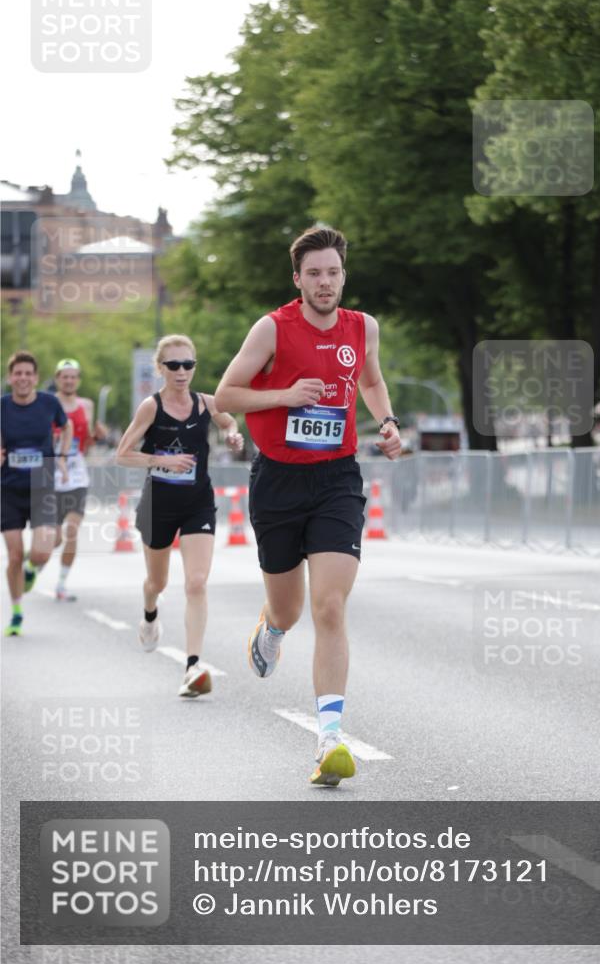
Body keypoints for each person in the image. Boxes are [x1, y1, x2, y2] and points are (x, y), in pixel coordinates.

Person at [215, 225, 401, 786]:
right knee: (290, 610)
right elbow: (225, 395)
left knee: (330, 608)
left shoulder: (362, 327)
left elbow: (370, 380)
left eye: (333, 273)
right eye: (314, 273)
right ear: (298, 279)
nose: (325, 282)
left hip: (337, 479)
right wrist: (283, 395)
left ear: (344, 276)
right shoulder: (272, 328)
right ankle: (270, 628)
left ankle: (329, 741)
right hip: (277, 481)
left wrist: (387, 422)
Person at [116, 335, 244, 697]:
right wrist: (162, 460)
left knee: (197, 583)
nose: (182, 371)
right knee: (157, 582)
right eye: (173, 365)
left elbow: (229, 422)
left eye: (188, 364)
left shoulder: (206, 403)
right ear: (160, 369)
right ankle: (150, 613)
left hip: (197, 503)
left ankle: (192, 666)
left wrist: (234, 436)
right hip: (158, 504)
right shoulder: (151, 408)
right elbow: (122, 454)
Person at [1, 351, 72, 636]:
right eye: (18, 373)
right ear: (10, 377)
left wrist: (63, 457)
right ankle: (17, 613)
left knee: (43, 550)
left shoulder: (49, 403)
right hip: (8, 488)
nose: (23, 378)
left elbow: (65, 429)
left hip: (42, 481)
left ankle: (32, 569)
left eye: (28, 373)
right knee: (14, 555)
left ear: (35, 377)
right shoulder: (2, 406)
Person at [52, 358, 109, 601]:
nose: (69, 380)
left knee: (72, 530)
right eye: (64, 376)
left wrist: (97, 437)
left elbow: (84, 443)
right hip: (49, 474)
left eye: (73, 376)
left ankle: (62, 585)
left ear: (78, 380)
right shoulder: (47, 403)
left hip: (76, 475)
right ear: (57, 379)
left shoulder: (86, 405)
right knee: (52, 539)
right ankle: (31, 561)